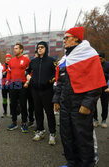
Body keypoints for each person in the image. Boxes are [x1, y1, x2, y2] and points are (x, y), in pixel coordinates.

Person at [53, 27, 106, 167]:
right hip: (65, 105)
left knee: (83, 138)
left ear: (76, 38)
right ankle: (72, 162)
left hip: (80, 104)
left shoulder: (89, 54)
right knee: (67, 136)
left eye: (67, 37)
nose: (64, 40)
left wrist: (87, 104)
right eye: (64, 38)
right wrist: (56, 99)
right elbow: (60, 82)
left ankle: (87, 164)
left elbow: (96, 82)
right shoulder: (65, 58)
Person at [25, 41, 56, 145]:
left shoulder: (52, 61)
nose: (40, 49)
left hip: (47, 90)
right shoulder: (33, 61)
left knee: (49, 112)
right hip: (35, 90)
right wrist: (28, 77)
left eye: (42, 47)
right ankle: (40, 130)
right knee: (38, 112)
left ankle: (52, 133)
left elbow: (56, 75)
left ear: (46, 48)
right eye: (38, 47)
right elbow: (27, 70)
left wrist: (49, 82)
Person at [6, 42, 30, 133]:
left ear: (21, 50)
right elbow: (8, 72)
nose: (14, 50)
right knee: (13, 104)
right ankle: (14, 122)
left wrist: (28, 82)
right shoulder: (11, 60)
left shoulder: (26, 60)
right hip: (13, 84)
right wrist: (8, 80)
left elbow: (30, 72)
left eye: (16, 48)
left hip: (23, 84)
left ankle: (24, 123)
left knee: (23, 104)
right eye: (14, 48)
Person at [93, 52, 109, 128]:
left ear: (103, 58)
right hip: (96, 87)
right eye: (98, 59)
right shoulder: (94, 65)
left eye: (101, 59)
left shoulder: (107, 65)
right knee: (93, 104)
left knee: (105, 105)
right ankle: (95, 119)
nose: (99, 60)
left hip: (105, 88)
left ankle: (104, 120)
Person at [1, 53, 11, 118]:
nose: (8, 58)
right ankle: (5, 112)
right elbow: (3, 74)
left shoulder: (12, 64)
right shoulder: (3, 65)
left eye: (9, 57)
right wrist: (8, 70)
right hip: (4, 84)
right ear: (5, 58)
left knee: (11, 99)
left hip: (11, 85)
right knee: (4, 99)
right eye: (7, 57)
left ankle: (12, 112)